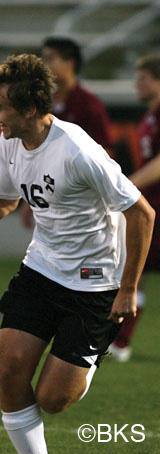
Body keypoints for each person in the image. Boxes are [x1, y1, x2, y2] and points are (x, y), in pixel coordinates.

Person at [0, 54, 154, 454]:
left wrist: (128, 289)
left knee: (52, 398)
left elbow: (142, 213)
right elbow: (3, 200)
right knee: (10, 370)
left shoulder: (78, 151)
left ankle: (89, 358)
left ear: (30, 109)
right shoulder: (10, 140)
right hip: (41, 269)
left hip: (95, 282)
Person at [20, 36, 113, 229]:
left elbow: (105, 153)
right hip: (50, 194)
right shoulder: (44, 104)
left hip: (79, 199)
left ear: (70, 62)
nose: (44, 66)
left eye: (50, 59)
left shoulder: (89, 105)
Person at [108, 54, 160, 362]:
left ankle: (120, 341)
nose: (136, 84)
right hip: (151, 206)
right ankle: (120, 341)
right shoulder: (150, 116)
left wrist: (128, 184)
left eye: (142, 78)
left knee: (133, 269)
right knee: (133, 270)